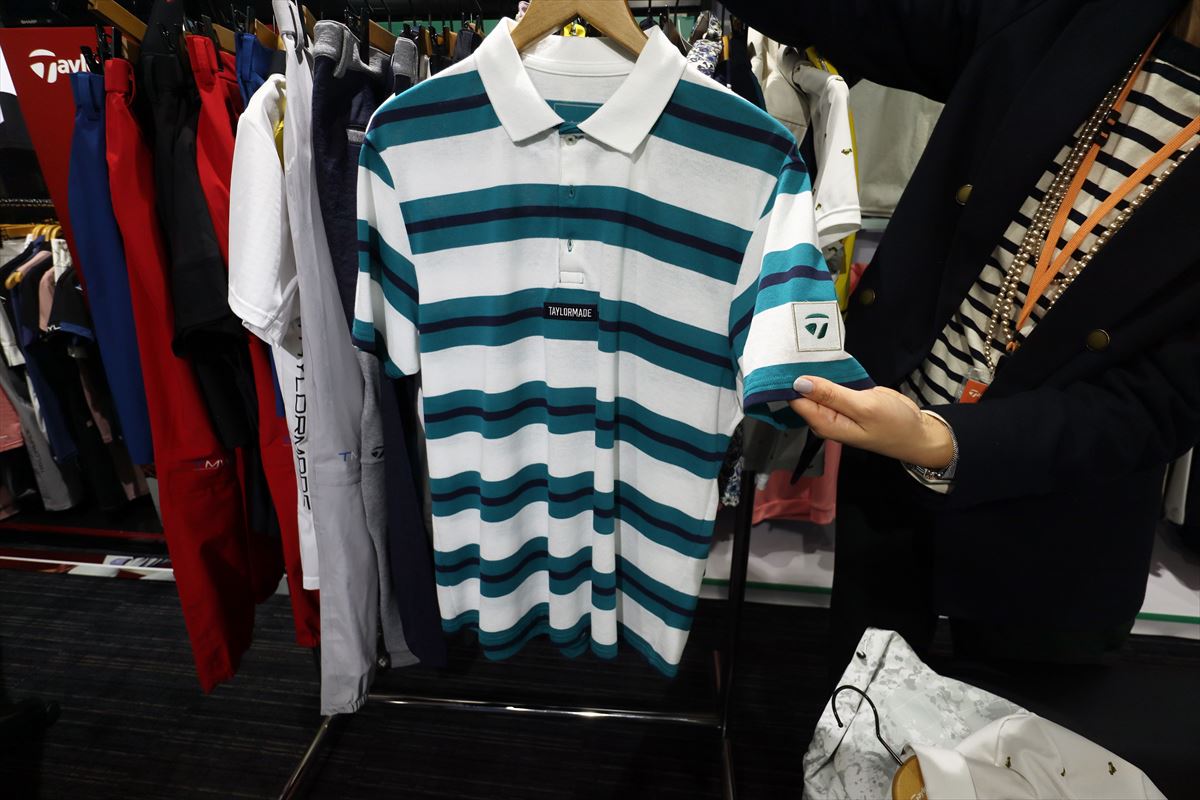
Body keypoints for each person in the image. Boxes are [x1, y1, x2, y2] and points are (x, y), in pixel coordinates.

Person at [723, 0, 1200, 671]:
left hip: (1059, 515)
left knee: (1018, 723)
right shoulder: (1074, 14)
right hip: (891, 451)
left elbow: (1165, 400)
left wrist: (942, 441)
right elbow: (877, 18)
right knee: (858, 705)